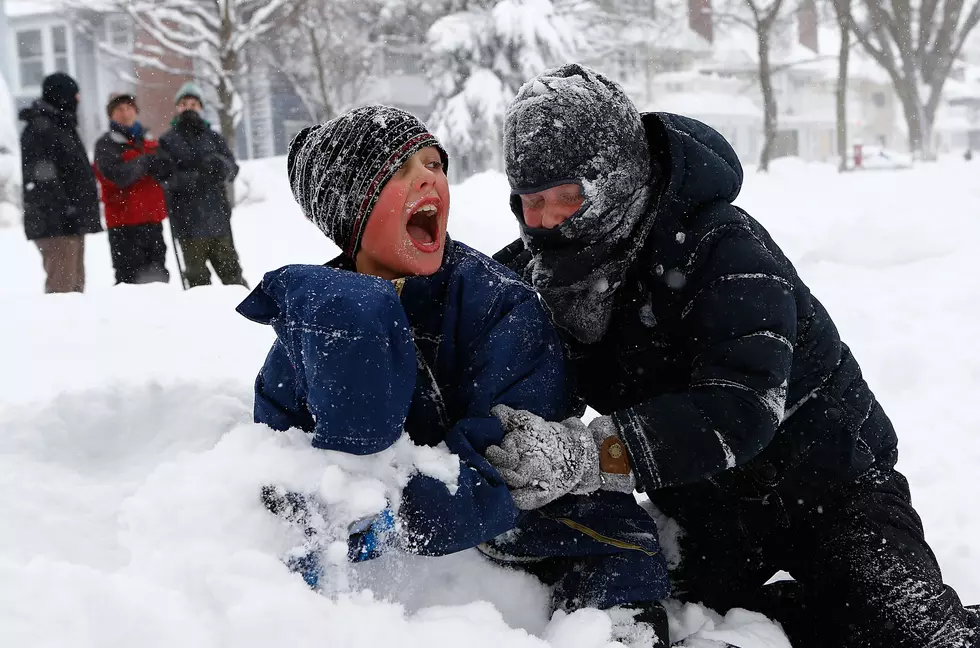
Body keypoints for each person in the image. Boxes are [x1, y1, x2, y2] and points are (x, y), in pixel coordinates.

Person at [489, 63, 980, 648]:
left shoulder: (723, 247)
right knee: (681, 623)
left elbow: (741, 408)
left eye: (567, 198)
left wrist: (588, 453)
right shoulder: (540, 277)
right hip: (710, 511)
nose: (548, 222)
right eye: (530, 202)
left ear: (616, 177)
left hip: (834, 487)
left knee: (918, 634)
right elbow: (462, 305)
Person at [236, 105, 672, 646]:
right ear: (351, 213)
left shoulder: (497, 303)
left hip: (543, 527)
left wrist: (401, 511)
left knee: (604, 558)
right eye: (398, 170)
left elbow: (510, 457)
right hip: (409, 565)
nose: (429, 177)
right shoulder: (322, 321)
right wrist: (323, 509)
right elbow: (282, 448)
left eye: (434, 164)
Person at [19, 72, 101, 293]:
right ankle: (59, 328)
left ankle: (74, 327)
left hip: (69, 222)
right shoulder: (41, 129)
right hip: (56, 224)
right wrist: (66, 209)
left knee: (74, 287)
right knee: (62, 292)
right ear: (62, 96)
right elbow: (43, 179)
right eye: (75, 95)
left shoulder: (62, 126)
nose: (78, 100)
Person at [159, 82, 245, 288]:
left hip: (218, 220)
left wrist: (220, 166)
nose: (189, 107)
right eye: (184, 103)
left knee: (233, 279)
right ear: (177, 107)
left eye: (194, 103)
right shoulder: (168, 141)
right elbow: (166, 178)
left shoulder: (214, 138)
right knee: (198, 285)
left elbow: (233, 168)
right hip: (188, 223)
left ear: (201, 107)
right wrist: (196, 177)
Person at [93, 93, 174, 284]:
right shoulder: (105, 145)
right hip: (124, 225)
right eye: (119, 109)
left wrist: (164, 166)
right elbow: (116, 177)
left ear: (136, 112)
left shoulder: (150, 141)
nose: (125, 113)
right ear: (110, 115)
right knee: (129, 282)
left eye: (129, 108)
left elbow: (167, 172)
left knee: (158, 279)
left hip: (152, 221)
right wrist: (144, 162)